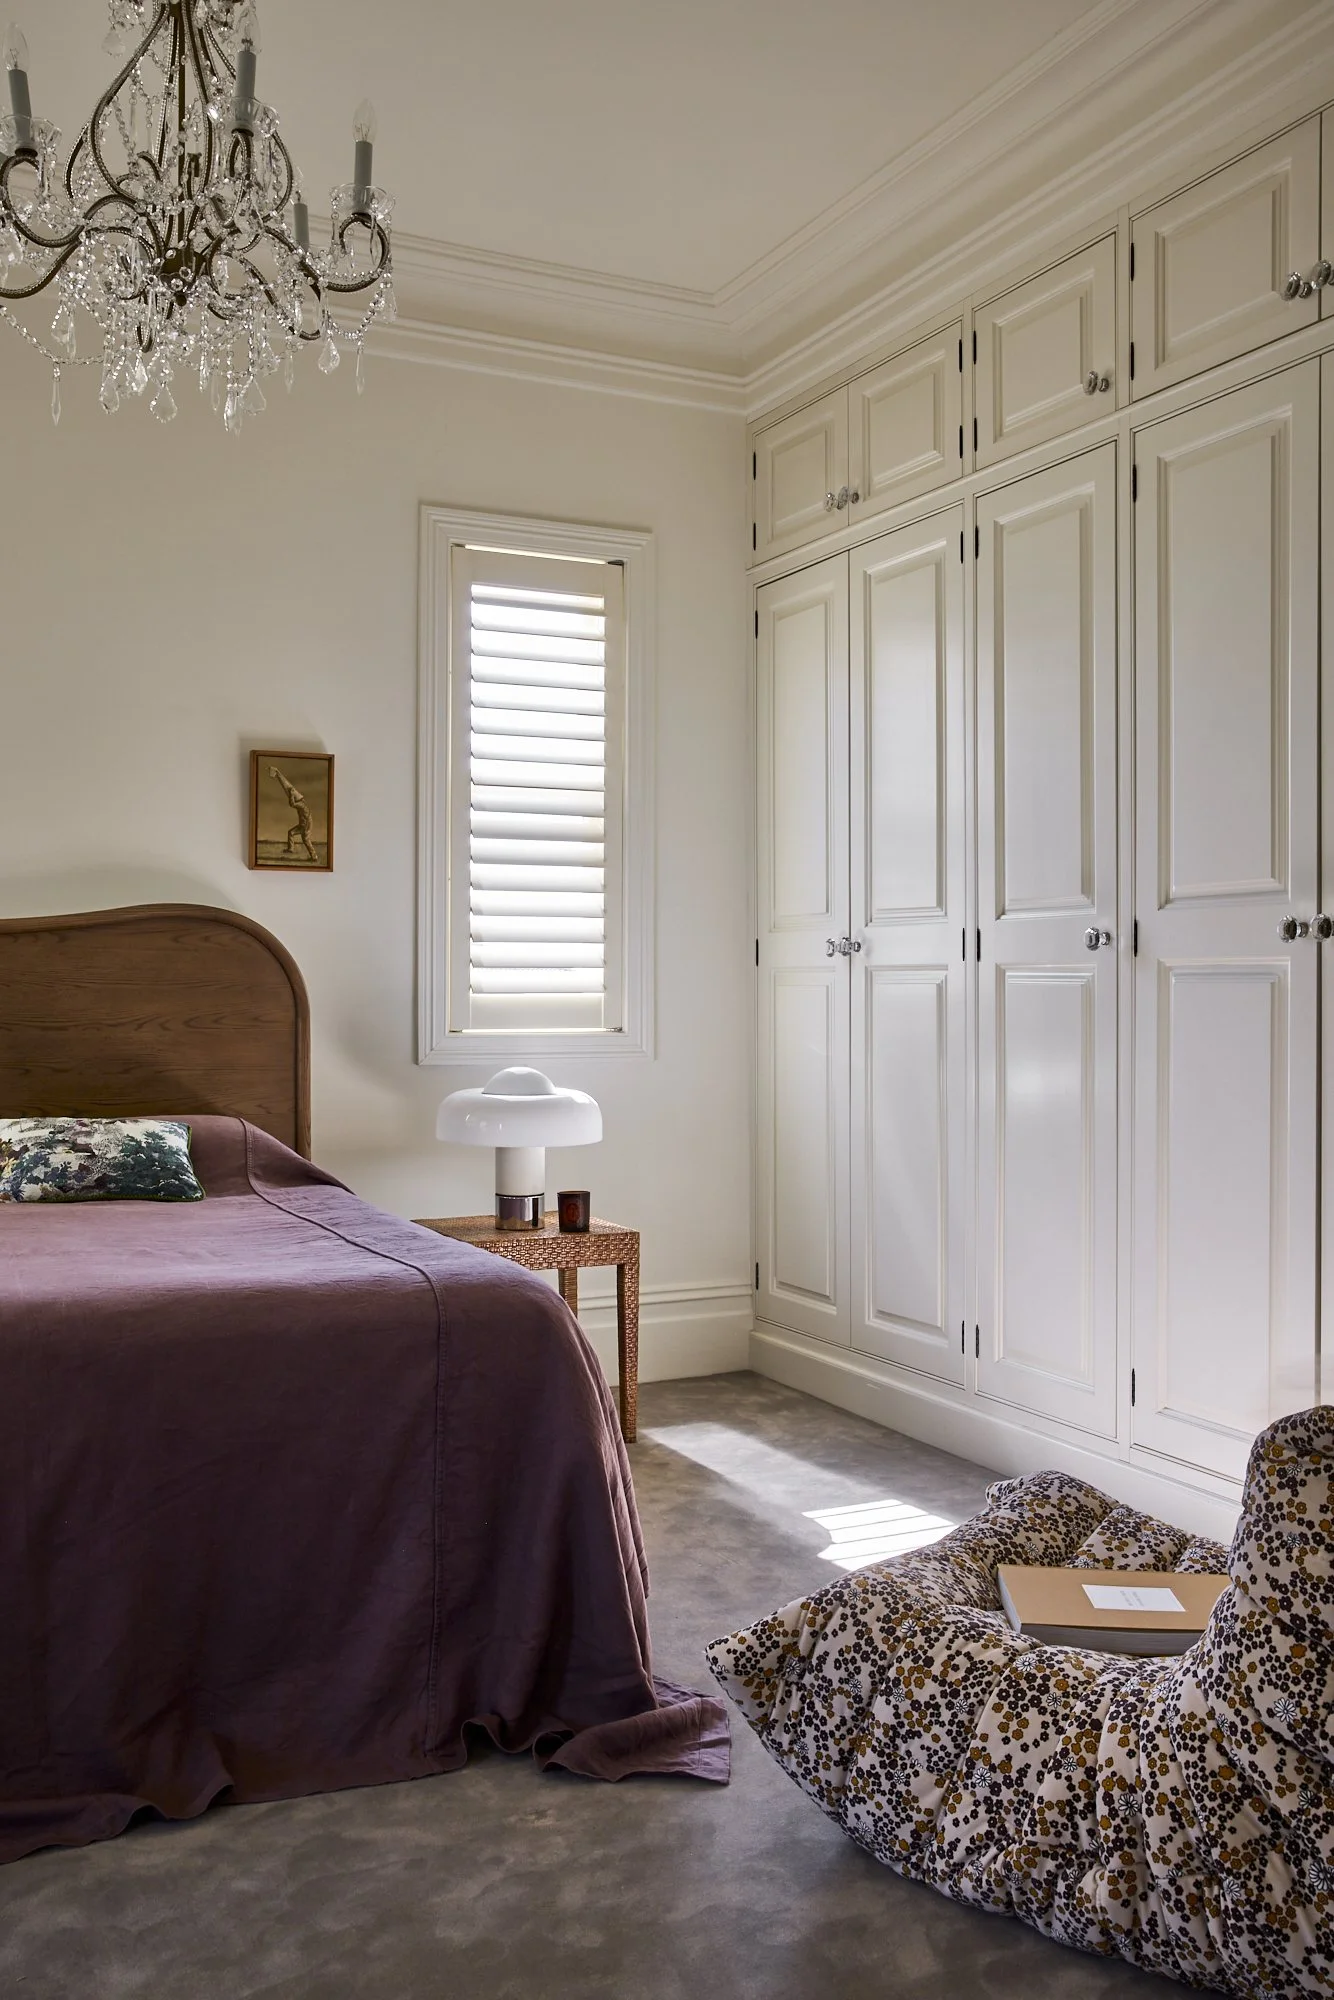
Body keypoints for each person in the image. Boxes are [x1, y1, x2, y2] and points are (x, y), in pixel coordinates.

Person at [269, 765, 318, 863]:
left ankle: (314, 857)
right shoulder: (302, 803)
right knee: (291, 833)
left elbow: (292, 804)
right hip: (303, 824)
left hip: (306, 826)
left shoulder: (302, 805)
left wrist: (291, 794)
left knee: (306, 840)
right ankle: (291, 849)